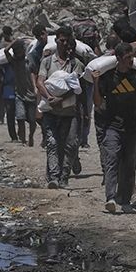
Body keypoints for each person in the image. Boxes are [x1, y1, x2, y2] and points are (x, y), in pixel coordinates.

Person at [95, 42, 136, 214]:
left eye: (132, 57)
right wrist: (96, 82)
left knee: (129, 164)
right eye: (128, 57)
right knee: (112, 160)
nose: (131, 60)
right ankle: (111, 198)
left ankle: (126, 200)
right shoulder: (108, 78)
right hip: (112, 126)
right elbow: (97, 102)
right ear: (119, 58)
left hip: (133, 127)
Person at [34, 27, 88, 189]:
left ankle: (64, 176)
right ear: (56, 40)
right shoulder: (47, 62)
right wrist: (49, 98)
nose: (64, 44)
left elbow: (77, 88)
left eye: (66, 41)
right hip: (50, 110)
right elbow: (40, 82)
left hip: (70, 112)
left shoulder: (76, 64)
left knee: (70, 144)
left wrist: (62, 99)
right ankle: (54, 177)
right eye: (61, 40)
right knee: (52, 142)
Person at [10, 38, 38, 146]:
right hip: (20, 95)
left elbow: (34, 73)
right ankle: (22, 139)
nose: (18, 53)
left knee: (32, 120)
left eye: (19, 50)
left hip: (31, 95)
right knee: (20, 117)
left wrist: (35, 88)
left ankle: (31, 136)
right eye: (16, 51)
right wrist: (15, 41)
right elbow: (6, 51)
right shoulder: (14, 62)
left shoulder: (29, 61)